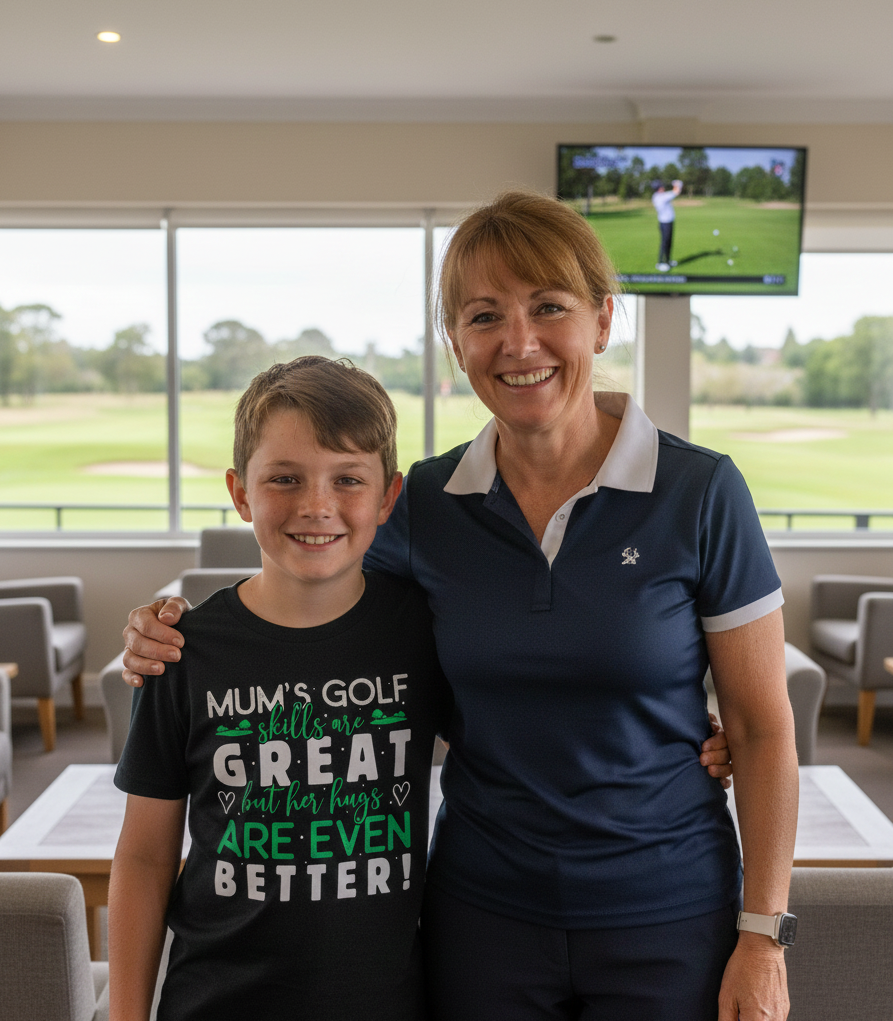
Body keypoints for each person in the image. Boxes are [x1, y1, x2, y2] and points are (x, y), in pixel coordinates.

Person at [122, 191, 797, 1021]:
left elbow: (763, 730)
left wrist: (762, 935)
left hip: (667, 908)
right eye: (484, 317)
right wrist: (162, 623)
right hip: (483, 911)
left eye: (548, 306)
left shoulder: (701, 491)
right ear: (456, 343)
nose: (519, 343)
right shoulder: (427, 502)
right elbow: (310, 571)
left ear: (601, 320)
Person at [109, 356, 450, 1021]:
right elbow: (147, 858)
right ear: (241, 493)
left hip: (383, 1001)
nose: (315, 505)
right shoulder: (181, 649)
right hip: (217, 999)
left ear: (387, 495)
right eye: (284, 479)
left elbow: (526, 729)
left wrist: (697, 738)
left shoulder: (424, 631)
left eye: (347, 478)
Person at [652, 178, 683, 270]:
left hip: (666, 223)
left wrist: (675, 185)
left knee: (669, 242)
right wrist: (678, 184)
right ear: (659, 188)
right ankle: (660, 262)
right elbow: (676, 192)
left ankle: (668, 261)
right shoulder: (662, 197)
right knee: (665, 243)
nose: (663, 187)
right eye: (662, 186)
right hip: (665, 223)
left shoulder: (657, 196)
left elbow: (671, 193)